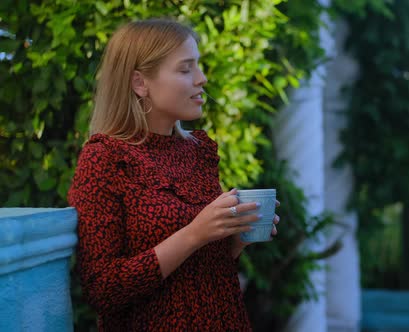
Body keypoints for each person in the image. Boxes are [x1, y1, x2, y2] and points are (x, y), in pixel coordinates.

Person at [68, 18, 279, 331]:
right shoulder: (105, 159)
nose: (202, 79)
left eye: (199, 66)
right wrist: (195, 234)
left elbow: (200, 269)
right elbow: (103, 289)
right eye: (185, 69)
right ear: (140, 83)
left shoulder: (198, 151)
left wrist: (234, 239)